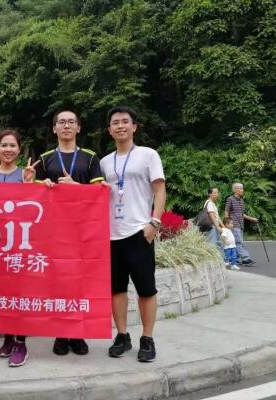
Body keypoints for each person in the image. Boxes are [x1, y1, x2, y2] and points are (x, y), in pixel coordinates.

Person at [34, 109, 104, 356]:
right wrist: (41, 184)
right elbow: (32, 193)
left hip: (83, 231)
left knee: (81, 283)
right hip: (54, 232)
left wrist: (76, 187)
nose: (66, 126)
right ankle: (61, 333)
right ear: (54, 128)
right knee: (58, 283)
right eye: (61, 122)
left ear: (78, 127)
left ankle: (78, 333)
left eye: (71, 122)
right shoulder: (44, 159)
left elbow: (100, 193)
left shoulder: (90, 157)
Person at [100, 106, 166, 363]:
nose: (120, 126)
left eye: (125, 121)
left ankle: (147, 339)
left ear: (134, 126)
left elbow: (159, 189)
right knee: (116, 290)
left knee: (146, 289)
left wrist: (154, 223)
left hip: (139, 232)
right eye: (115, 123)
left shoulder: (148, 155)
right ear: (109, 130)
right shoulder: (105, 162)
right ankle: (122, 335)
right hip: (111, 235)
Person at [0, 128, 38, 367]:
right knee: (2, 293)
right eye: (4, 145)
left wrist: (30, 184)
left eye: (12, 145)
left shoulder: (25, 174)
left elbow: (34, 208)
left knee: (20, 293)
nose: (8, 149)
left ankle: (21, 343)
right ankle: (8, 337)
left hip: (19, 244)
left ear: (19, 149)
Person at [225, 183, 258, 265]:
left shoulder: (241, 200)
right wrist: (227, 224)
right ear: (235, 190)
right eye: (240, 188)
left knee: (237, 242)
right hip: (234, 224)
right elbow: (226, 211)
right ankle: (246, 258)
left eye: (242, 188)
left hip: (240, 225)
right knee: (239, 242)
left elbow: (242, 214)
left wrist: (252, 219)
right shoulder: (230, 199)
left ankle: (234, 259)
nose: (242, 190)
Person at [204, 188, 224, 253]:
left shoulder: (212, 203)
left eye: (217, 193)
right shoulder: (209, 203)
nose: (216, 194)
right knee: (212, 244)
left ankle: (220, 258)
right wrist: (217, 227)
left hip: (214, 227)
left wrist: (222, 225)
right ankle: (212, 258)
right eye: (214, 193)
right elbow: (211, 215)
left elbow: (217, 216)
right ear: (210, 194)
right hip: (211, 227)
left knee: (218, 244)